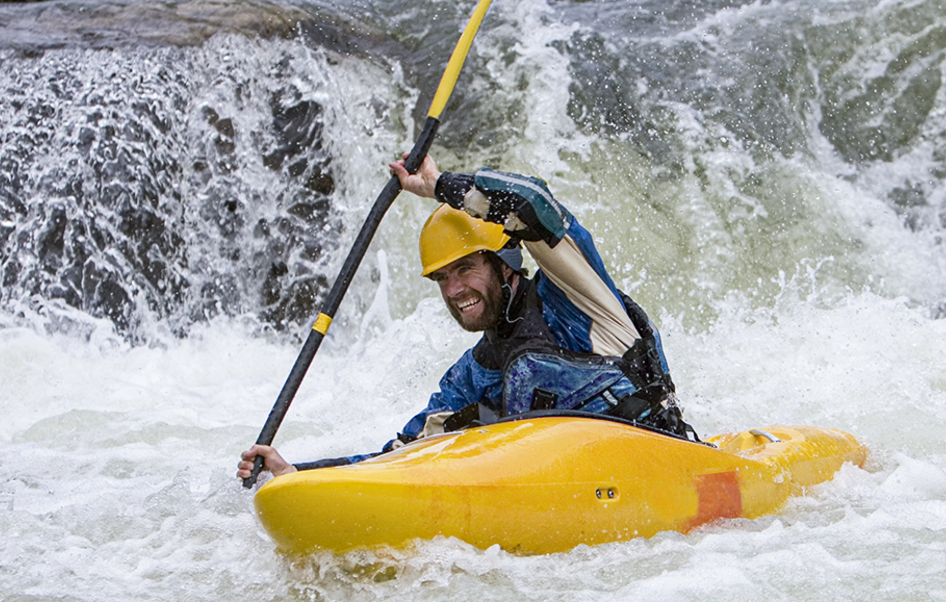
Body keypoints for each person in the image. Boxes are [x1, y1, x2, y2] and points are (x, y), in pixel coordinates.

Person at [238, 153, 688, 481]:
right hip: (582, 497)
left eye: (466, 269)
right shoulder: (473, 376)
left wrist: (438, 188)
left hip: (668, 470)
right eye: (441, 279)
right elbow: (400, 457)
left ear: (506, 263)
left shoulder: (579, 298)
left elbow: (531, 200)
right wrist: (295, 473)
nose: (454, 291)